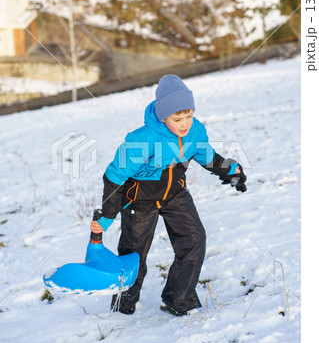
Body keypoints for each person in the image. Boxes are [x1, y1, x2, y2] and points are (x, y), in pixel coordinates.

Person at [91, 74, 247, 316]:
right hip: (139, 200)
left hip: (175, 194)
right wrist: (108, 215)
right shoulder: (142, 140)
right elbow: (114, 176)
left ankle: (177, 299)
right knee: (134, 256)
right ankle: (123, 307)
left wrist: (231, 171)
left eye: (189, 115)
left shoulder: (195, 132)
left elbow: (207, 156)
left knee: (194, 240)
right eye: (177, 118)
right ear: (163, 116)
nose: (184, 123)